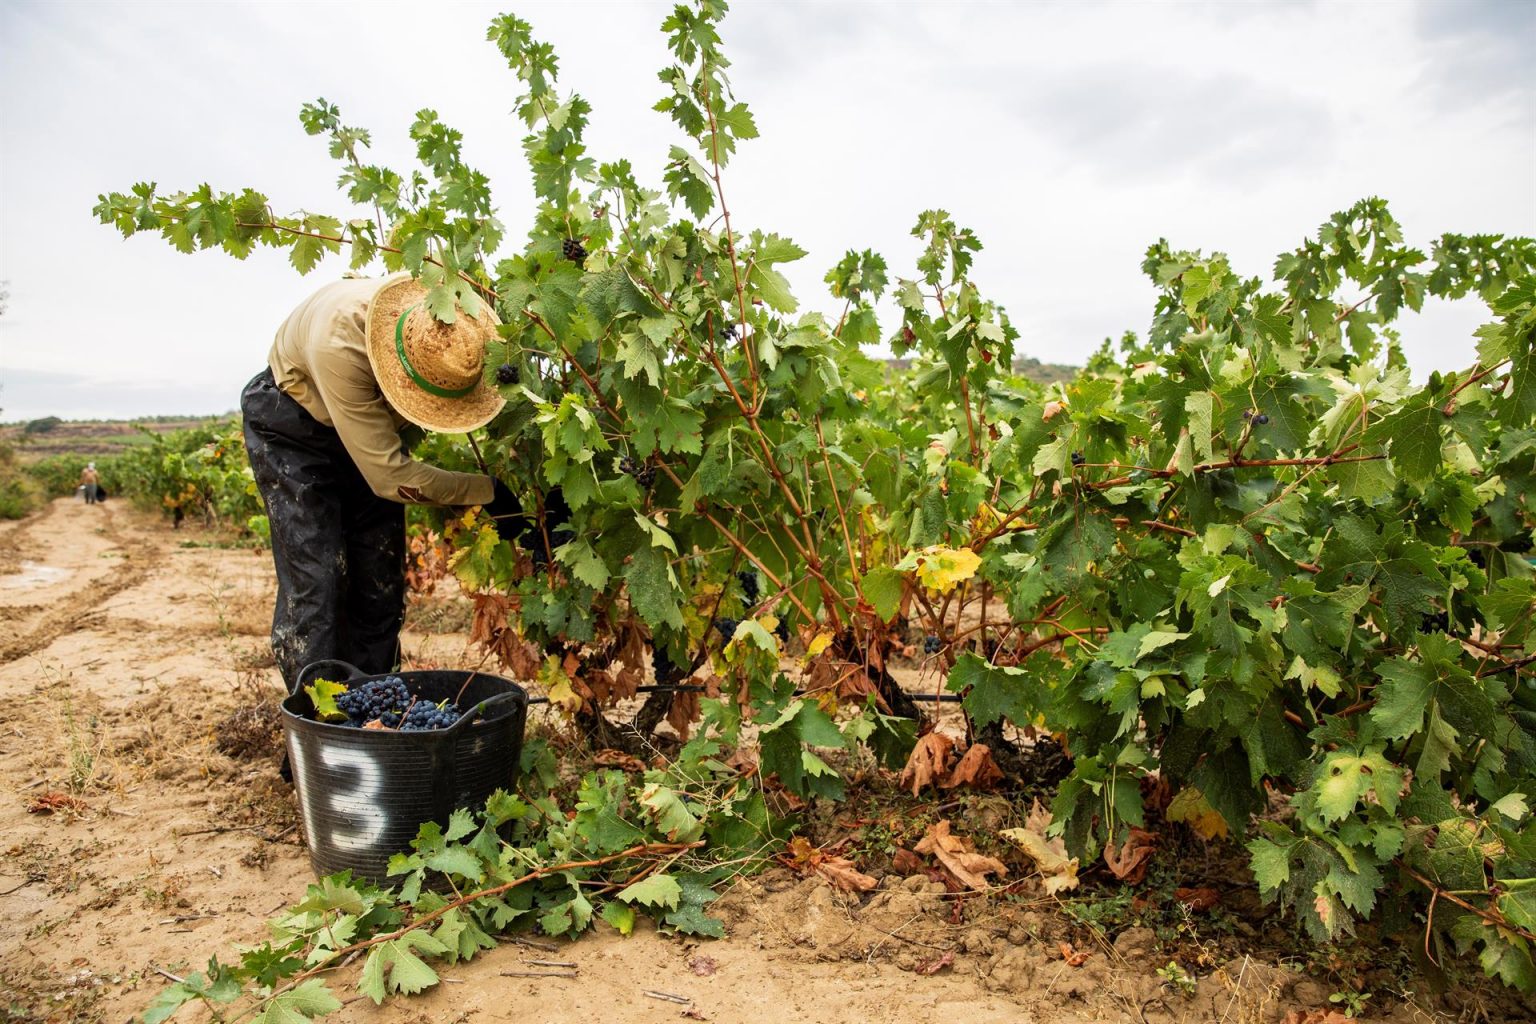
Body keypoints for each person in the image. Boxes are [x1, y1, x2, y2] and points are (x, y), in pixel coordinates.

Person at [240, 273, 548, 692]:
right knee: (318, 586)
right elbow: (389, 477)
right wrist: (486, 492)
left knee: (379, 588)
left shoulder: (438, 317)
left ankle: (373, 715)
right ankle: (317, 727)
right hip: (292, 429)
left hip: (366, 428)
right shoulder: (339, 347)